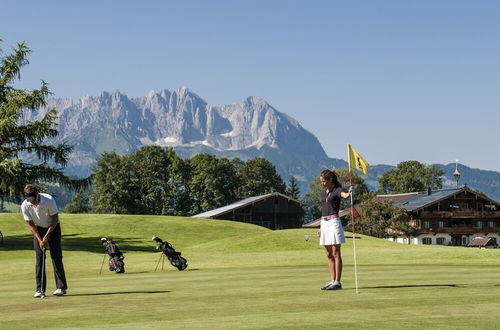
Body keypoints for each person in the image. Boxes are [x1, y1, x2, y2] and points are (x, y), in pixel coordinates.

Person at [21, 184, 68, 297]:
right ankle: (40, 289)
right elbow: (31, 225)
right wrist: (39, 239)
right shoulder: (25, 205)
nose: (33, 203)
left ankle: (61, 287)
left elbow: (55, 220)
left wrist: (46, 237)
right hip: (38, 228)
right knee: (39, 257)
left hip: (53, 227)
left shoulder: (48, 200)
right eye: (30, 201)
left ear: (37, 195)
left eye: (34, 200)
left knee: (56, 256)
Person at [317, 170, 351, 291]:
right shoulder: (324, 192)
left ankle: (337, 282)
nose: (322, 184)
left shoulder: (337, 190)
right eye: (321, 181)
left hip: (334, 223)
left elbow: (344, 195)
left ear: (330, 180)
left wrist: (349, 194)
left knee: (336, 253)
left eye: (324, 181)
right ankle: (332, 280)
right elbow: (323, 210)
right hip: (324, 223)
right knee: (328, 254)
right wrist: (321, 228)